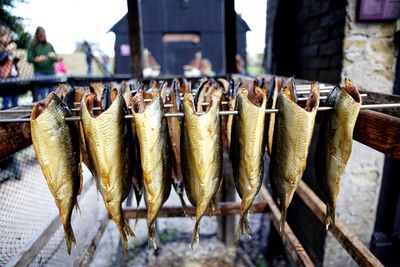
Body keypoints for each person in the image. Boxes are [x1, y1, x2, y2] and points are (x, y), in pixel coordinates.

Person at [28, 26, 60, 101]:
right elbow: (29, 58)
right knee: (42, 96)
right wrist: (37, 58)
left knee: (52, 95)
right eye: (40, 35)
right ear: (37, 35)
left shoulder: (49, 45)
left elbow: (57, 58)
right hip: (40, 73)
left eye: (43, 35)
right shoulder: (33, 45)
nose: (42, 37)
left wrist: (54, 56)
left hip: (51, 73)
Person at [0, 25, 20, 109]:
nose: (8, 39)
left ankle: (15, 121)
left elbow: (9, 62)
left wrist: (17, 59)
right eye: (6, 36)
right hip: (5, 78)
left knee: (15, 101)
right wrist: (8, 50)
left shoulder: (7, 48)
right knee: (6, 101)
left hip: (13, 76)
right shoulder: (3, 49)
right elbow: (0, 61)